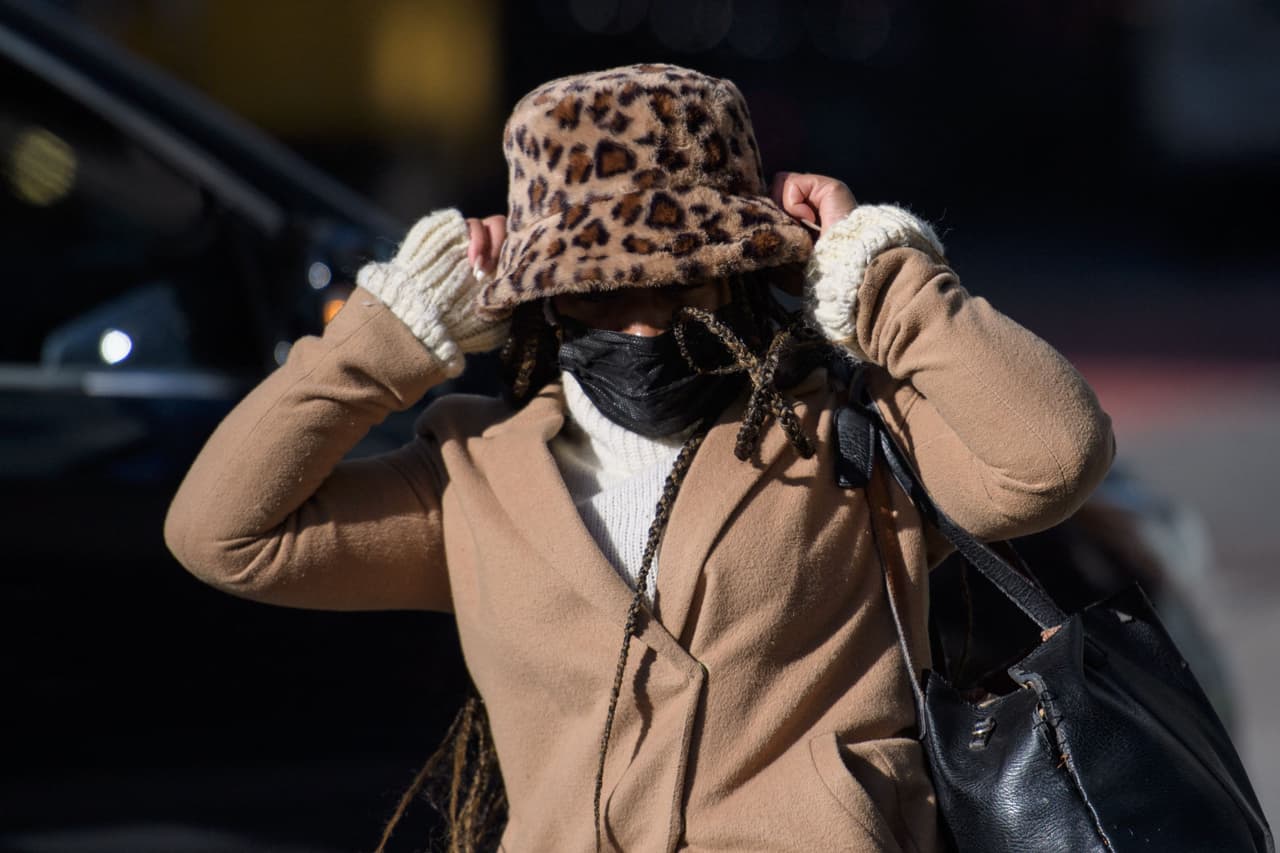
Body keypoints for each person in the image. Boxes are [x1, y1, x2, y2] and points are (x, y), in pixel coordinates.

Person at [164, 62, 1115, 852]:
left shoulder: (847, 431)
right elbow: (222, 535)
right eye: (597, 290)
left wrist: (881, 276)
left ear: (742, 270)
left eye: (677, 280)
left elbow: (1055, 456)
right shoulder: (472, 470)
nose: (641, 322)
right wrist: (393, 330)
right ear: (540, 298)